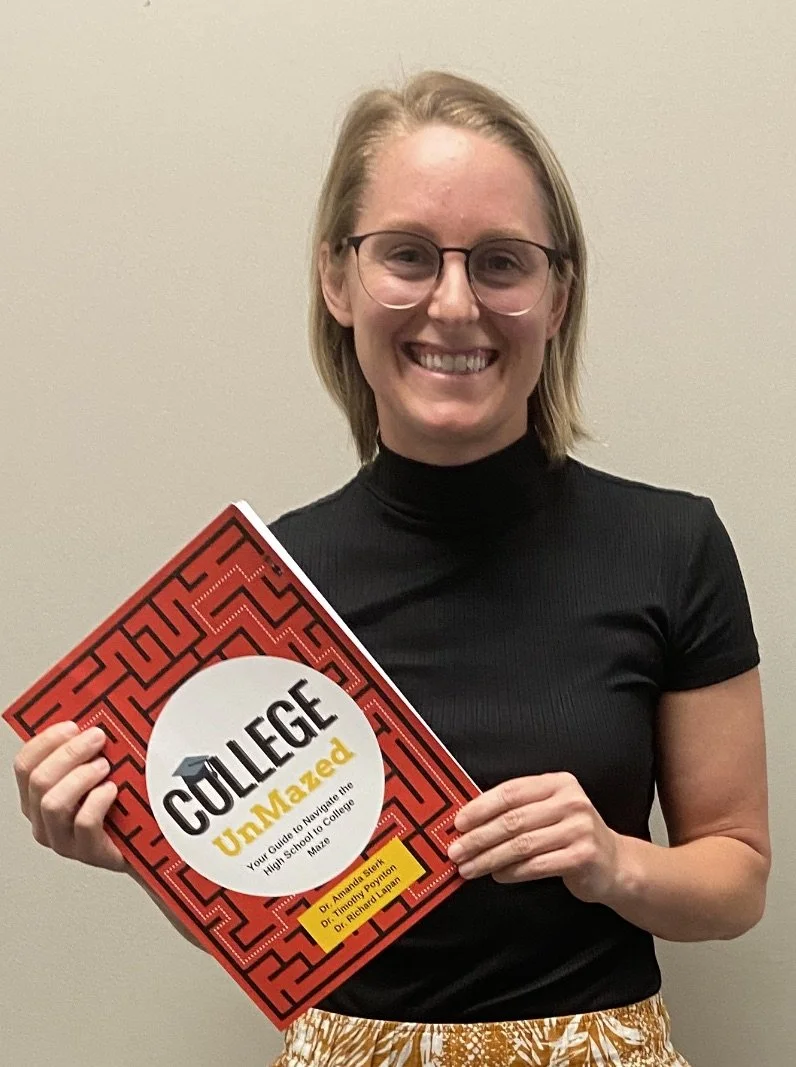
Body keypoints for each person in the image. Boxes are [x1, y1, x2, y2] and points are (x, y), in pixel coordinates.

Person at [12, 71, 770, 1067]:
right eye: (407, 256)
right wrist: (153, 858)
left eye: (501, 263)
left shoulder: (672, 546)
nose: (454, 305)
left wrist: (614, 862)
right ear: (337, 279)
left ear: (556, 294)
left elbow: (738, 876)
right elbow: (287, 928)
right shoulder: (263, 590)